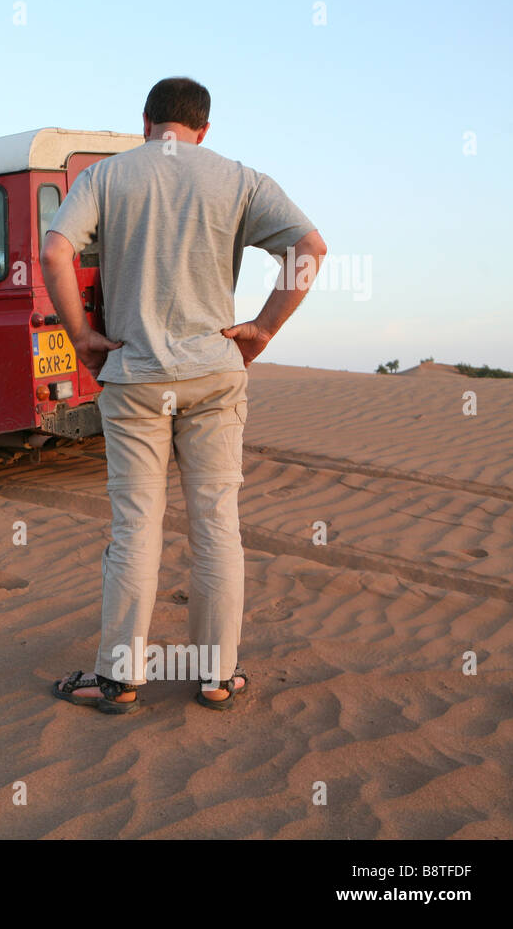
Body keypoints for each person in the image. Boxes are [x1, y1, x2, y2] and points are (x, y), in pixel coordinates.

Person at [41, 77, 327, 714]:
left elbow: (55, 252)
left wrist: (82, 335)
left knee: (135, 530)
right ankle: (216, 675)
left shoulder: (107, 179)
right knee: (217, 528)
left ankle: (118, 679)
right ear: (203, 129)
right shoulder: (240, 178)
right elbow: (310, 248)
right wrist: (264, 327)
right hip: (213, 376)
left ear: (146, 123)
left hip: (135, 380)